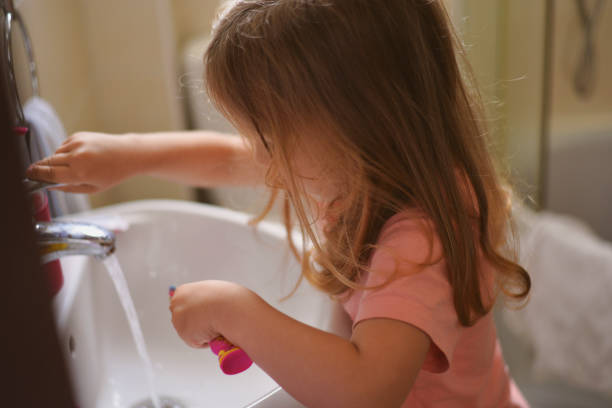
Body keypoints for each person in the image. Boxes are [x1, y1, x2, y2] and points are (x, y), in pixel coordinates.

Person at [26, 0, 531, 406]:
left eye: (269, 137)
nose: (264, 159)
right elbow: (227, 159)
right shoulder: (370, 172)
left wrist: (238, 310)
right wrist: (131, 154)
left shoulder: (419, 243)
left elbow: (367, 390)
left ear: (355, 128)